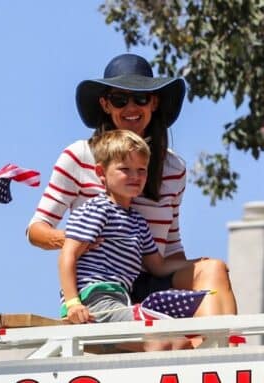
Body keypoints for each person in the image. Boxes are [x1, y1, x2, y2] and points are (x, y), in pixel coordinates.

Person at [28, 53, 237, 317]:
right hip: (102, 285)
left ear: (154, 103)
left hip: (150, 280)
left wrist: (199, 264)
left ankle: (223, 351)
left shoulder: (173, 168)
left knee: (214, 270)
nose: (131, 107)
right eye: (119, 99)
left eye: (141, 98)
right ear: (105, 105)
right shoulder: (79, 155)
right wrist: (77, 240)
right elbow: (36, 230)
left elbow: (170, 246)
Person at [59, 130, 194, 351]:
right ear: (101, 173)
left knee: (181, 342)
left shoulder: (138, 222)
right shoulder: (96, 209)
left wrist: (197, 264)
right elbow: (68, 255)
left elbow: (157, 266)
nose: (135, 176)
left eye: (141, 170)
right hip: (93, 300)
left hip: (119, 301)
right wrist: (73, 303)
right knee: (162, 341)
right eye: (125, 169)